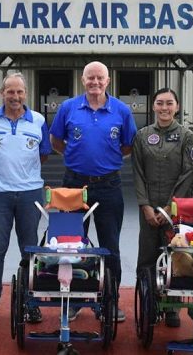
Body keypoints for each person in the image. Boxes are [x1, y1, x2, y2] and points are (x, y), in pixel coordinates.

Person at [49, 61, 137, 322]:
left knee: (110, 247)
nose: (95, 82)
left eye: (100, 78)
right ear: (83, 81)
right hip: (73, 184)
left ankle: (110, 300)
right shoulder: (68, 108)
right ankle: (73, 299)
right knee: (70, 246)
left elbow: (127, 145)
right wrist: (76, 157)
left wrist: (104, 162)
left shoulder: (121, 110)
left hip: (109, 186)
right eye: (90, 78)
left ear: (108, 81)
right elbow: (56, 141)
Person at [0, 73, 51, 325]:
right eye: (10, 92)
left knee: (30, 250)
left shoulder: (38, 120)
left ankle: (31, 304)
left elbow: (43, 155)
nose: (15, 97)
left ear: (25, 94)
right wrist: (1, 176)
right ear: (2, 93)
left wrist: (22, 176)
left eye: (19, 92)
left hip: (30, 193)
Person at [132, 88, 193, 328]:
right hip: (149, 207)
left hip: (176, 209)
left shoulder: (187, 136)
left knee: (177, 257)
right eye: (159, 103)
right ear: (153, 106)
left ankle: (173, 307)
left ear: (177, 107)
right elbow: (137, 173)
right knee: (147, 257)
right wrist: (145, 206)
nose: (164, 108)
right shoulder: (142, 136)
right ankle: (148, 303)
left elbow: (188, 172)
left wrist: (172, 208)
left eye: (169, 103)